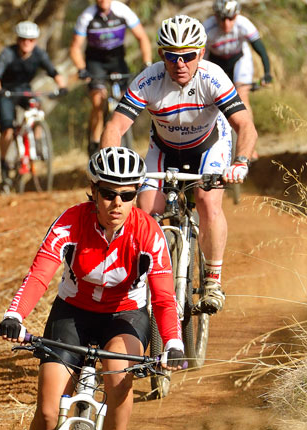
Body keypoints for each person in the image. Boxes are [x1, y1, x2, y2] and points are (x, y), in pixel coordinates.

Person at [0, 147, 184, 430]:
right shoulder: (71, 222)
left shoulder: (149, 232)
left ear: (137, 195)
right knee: (47, 412)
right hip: (73, 313)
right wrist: (14, 316)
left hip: (125, 316)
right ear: (94, 192)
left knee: (117, 377)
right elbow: (38, 276)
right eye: (109, 194)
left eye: (127, 195)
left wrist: (174, 343)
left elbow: (164, 298)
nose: (117, 203)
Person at [101, 15, 259, 313]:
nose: (180, 63)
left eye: (188, 55)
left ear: (201, 52)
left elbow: (245, 126)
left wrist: (240, 162)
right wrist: (110, 170)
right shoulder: (149, 79)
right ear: (162, 55)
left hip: (208, 146)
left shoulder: (213, 77)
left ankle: (212, 280)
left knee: (207, 201)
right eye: (172, 56)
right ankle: (145, 281)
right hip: (163, 150)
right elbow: (114, 127)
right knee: (145, 211)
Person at [0, 21, 67, 192]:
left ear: (36, 41)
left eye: (31, 40)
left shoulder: (39, 54)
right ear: (18, 40)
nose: (27, 43)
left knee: (37, 111)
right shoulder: (7, 54)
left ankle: (37, 142)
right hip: (6, 93)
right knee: (7, 129)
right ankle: (4, 165)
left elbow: (54, 72)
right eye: (24, 39)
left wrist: (62, 86)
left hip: (24, 90)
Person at [70, 0, 152, 156]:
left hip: (117, 60)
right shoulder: (87, 16)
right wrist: (81, 69)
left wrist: (147, 62)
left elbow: (142, 37)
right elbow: (75, 47)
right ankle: (94, 143)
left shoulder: (122, 11)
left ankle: (124, 139)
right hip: (95, 62)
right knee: (98, 101)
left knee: (125, 100)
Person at [204, 0, 272, 160]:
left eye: (231, 18)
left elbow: (260, 50)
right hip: (215, 62)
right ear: (215, 17)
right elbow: (199, 60)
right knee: (212, 101)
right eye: (222, 19)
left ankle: (249, 147)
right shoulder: (206, 28)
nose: (226, 23)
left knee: (242, 98)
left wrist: (267, 73)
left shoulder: (244, 24)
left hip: (239, 60)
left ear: (237, 15)